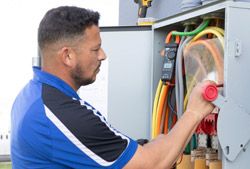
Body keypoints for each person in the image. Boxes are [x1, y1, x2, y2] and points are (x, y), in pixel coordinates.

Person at [11, 6, 215, 169]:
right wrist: (195, 111)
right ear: (68, 56)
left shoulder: (31, 95)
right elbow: (153, 164)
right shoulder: (61, 114)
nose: (103, 55)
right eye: (95, 49)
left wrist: (154, 147)